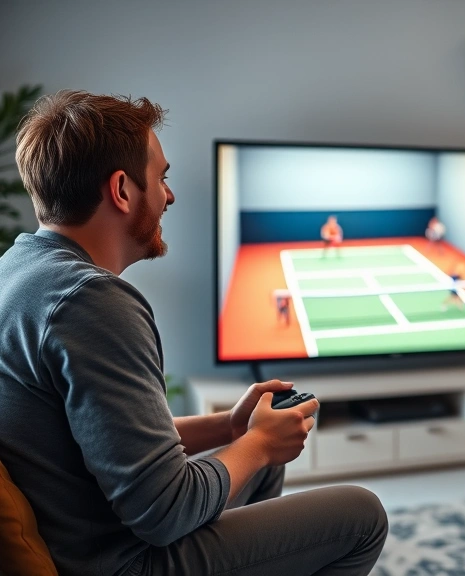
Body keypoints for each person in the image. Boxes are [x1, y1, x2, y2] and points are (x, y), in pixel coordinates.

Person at [0, 91, 387, 575]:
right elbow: (163, 513)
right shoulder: (89, 302)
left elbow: (107, 448)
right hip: (119, 562)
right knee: (360, 516)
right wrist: (259, 444)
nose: (170, 195)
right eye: (161, 178)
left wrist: (230, 428)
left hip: (86, 532)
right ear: (121, 190)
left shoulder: (16, 269)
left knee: (261, 460)